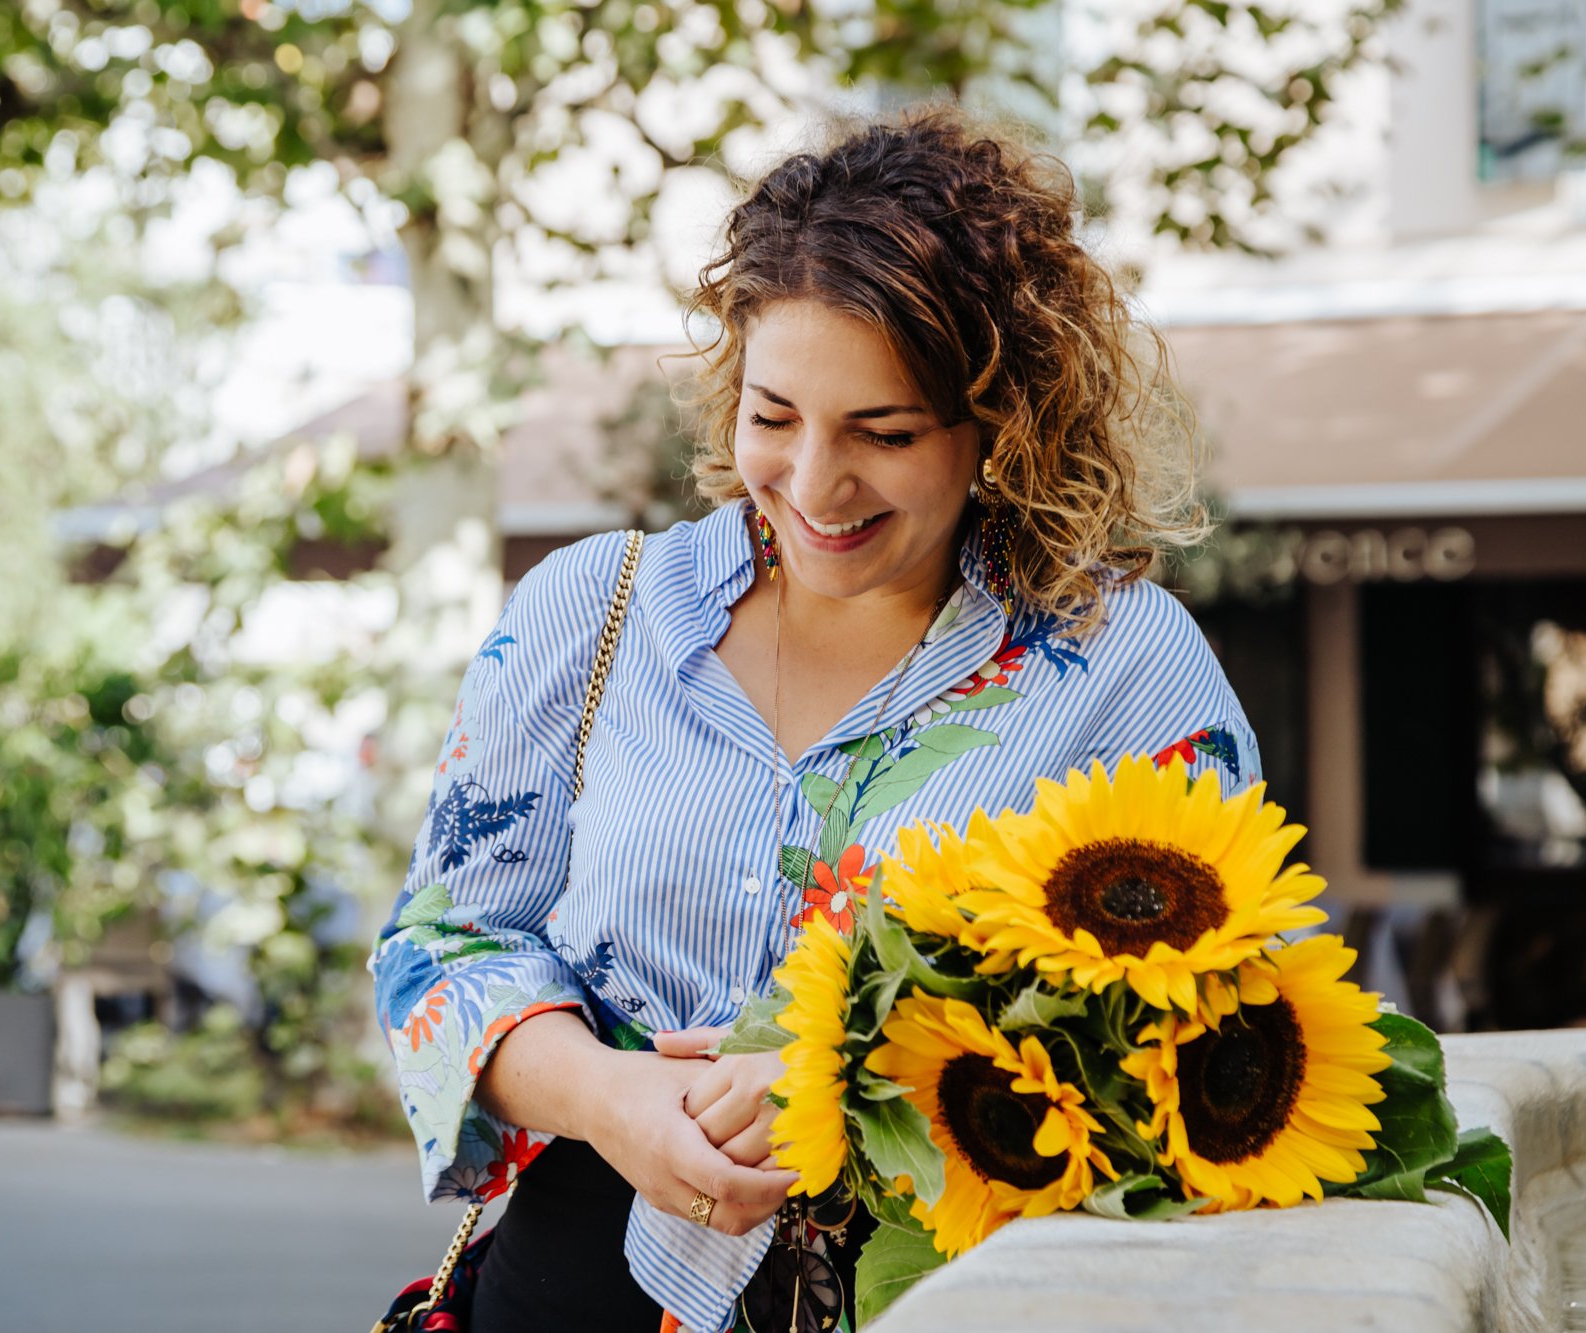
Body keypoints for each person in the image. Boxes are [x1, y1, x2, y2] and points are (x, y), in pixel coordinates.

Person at [370, 108, 1260, 1333]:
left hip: (944, 1294)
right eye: (773, 418)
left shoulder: (1121, 666)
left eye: (881, 433)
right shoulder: (593, 615)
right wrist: (608, 1096)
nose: (813, 485)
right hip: (576, 1282)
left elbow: (1207, 1021)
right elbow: (443, 945)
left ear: (997, 423)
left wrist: (864, 1069)